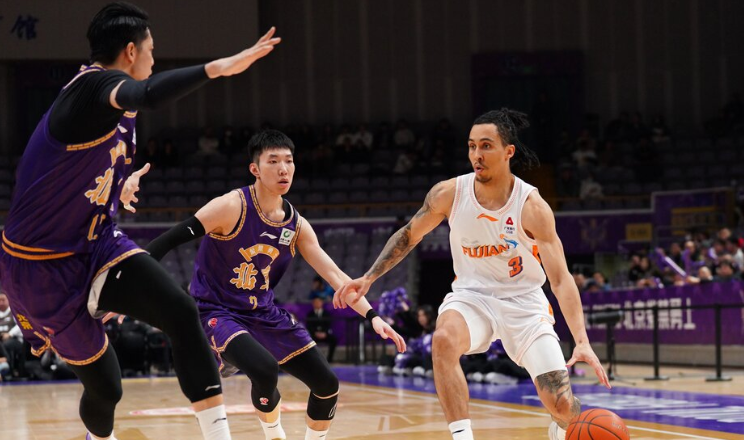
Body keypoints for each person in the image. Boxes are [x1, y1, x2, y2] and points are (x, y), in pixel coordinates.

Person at [0, 3, 280, 439]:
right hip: (40, 265)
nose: (153, 58)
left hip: (94, 243)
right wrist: (220, 67)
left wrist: (117, 185)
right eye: (151, 49)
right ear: (130, 52)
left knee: (181, 311)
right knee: (106, 387)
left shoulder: (111, 108)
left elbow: (70, 172)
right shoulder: (92, 87)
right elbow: (147, 94)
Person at [334, 108, 610, 440]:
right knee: (443, 340)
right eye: (471, 146)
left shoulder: (532, 207)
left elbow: (561, 280)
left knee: (562, 405)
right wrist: (369, 277)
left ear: (508, 152)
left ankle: (562, 426)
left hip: (523, 301)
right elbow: (409, 235)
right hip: (472, 297)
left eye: (486, 146)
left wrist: (582, 341)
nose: (476, 154)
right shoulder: (449, 193)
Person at [146, 129, 406, 440]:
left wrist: (373, 316)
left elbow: (337, 276)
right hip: (216, 310)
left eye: (289, 161)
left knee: (327, 385)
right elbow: (164, 242)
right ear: (255, 169)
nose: (283, 169)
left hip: (262, 312)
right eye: (273, 161)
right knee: (265, 369)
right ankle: (273, 432)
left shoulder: (296, 225)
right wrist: (130, 288)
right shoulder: (231, 206)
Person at [306, 296, 338, 363]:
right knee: (307, 342)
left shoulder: (326, 314)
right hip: (314, 335)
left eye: (318, 302)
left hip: (325, 334)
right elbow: (309, 326)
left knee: (333, 340)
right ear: (313, 303)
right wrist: (315, 333)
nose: (317, 303)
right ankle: (313, 361)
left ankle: (329, 360)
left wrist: (324, 333)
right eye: (315, 302)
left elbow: (328, 324)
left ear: (322, 303)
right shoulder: (310, 314)